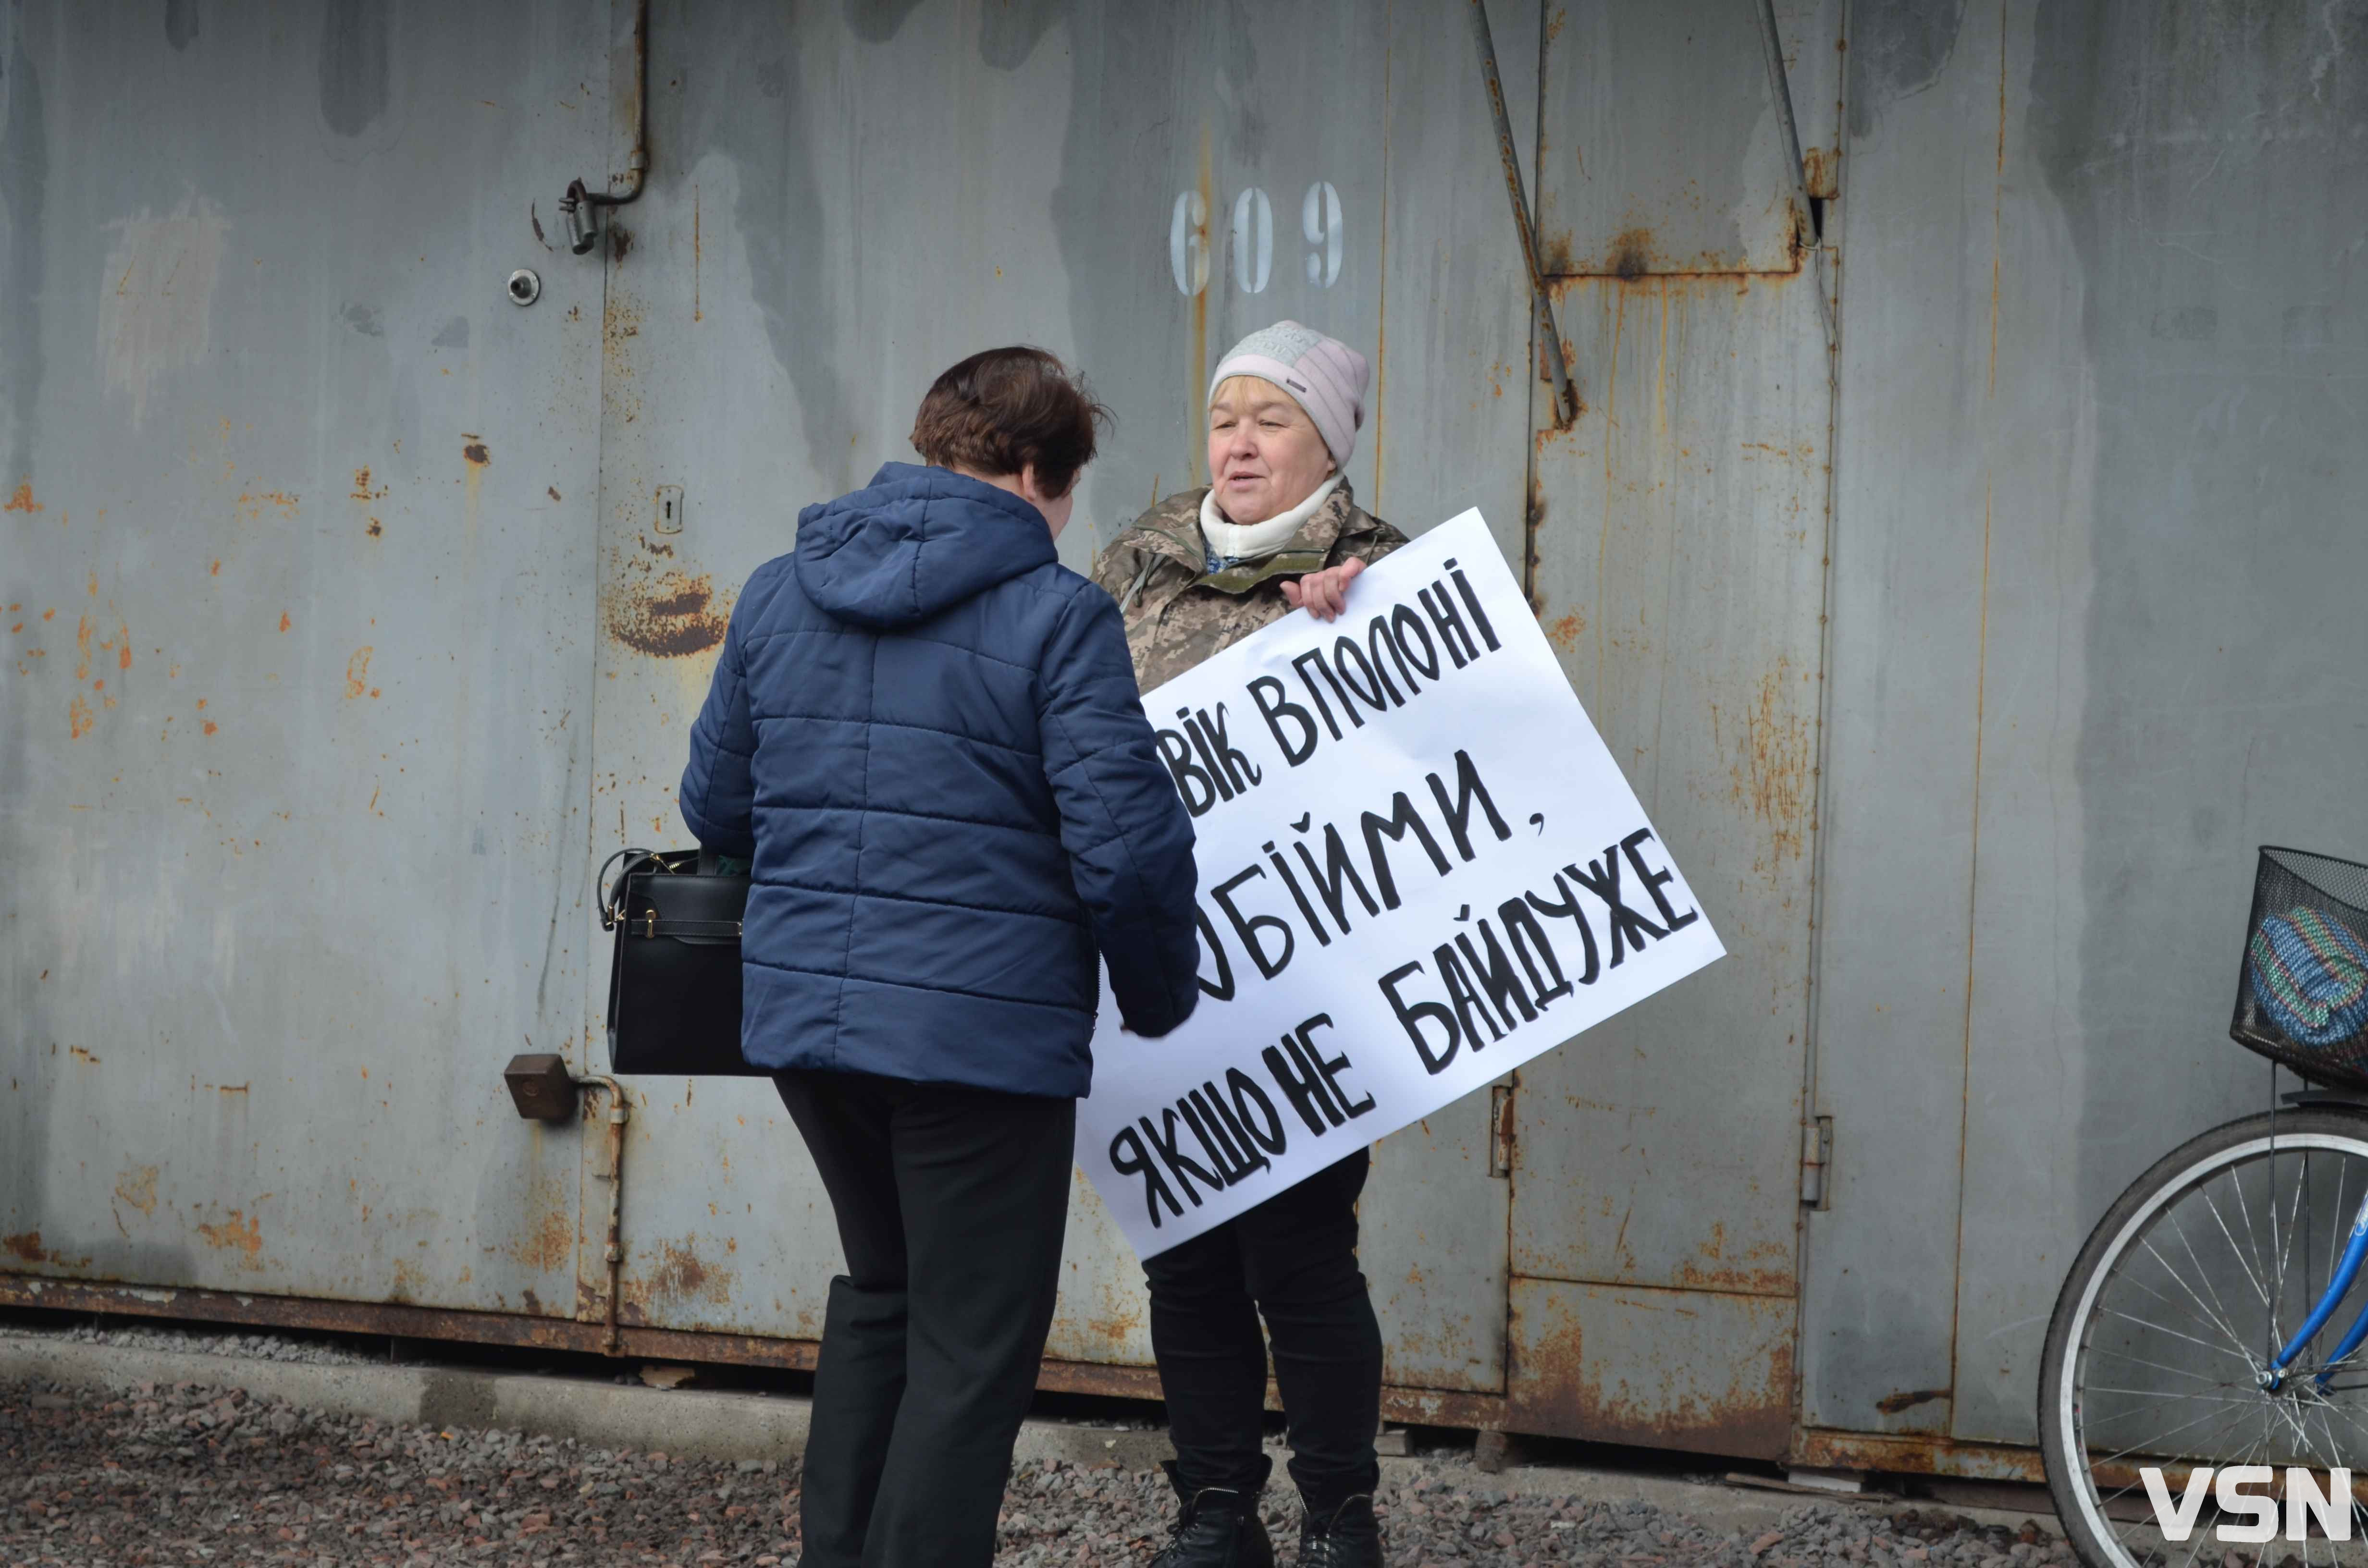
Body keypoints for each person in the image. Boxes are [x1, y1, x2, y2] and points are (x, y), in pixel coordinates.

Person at [679, 346, 1203, 1568]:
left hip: (811, 1031)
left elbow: (716, 806)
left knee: (885, 1296)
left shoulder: (775, 590)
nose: (1065, 516)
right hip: (981, 1046)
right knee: (972, 1347)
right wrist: (1162, 999)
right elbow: (1126, 853)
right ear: (1033, 474)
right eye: (1067, 488)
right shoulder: (1059, 616)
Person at [1090, 321, 1405, 1568]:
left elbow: (1481, 735)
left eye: (1271, 419)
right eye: (1225, 417)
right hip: (1159, 975)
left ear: (1328, 441)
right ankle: (1215, 1510)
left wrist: (1364, 632)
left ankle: (1340, 1514)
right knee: (1186, 1260)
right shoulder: (1136, 562)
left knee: (1304, 1256)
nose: (1239, 442)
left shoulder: (1387, 569)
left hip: (1309, 985)